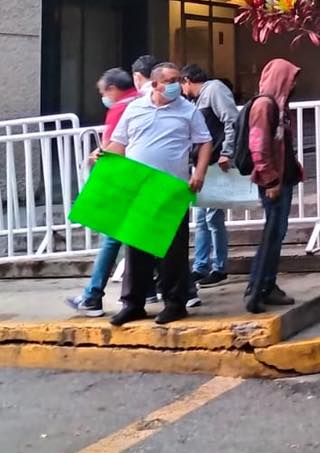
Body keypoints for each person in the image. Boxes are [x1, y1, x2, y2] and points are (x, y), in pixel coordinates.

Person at [104, 63, 213, 326]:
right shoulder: (135, 109)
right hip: (139, 187)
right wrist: (103, 160)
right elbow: (119, 144)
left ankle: (174, 303)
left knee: (172, 251)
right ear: (155, 84)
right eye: (171, 80)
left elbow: (205, 141)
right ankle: (133, 304)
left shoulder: (187, 111)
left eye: (179, 79)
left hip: (171, 189)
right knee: (136, 249)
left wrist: (199, 173)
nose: (177, 83)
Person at [67, 68, 139, 317]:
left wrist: (98, 155)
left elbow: (112, 147)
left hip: (122, 179)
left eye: (103, 91)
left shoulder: (121, 108)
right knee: (141, 237)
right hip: (140, 179)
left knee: (112, 238)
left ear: (112, 89)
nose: (103, 96)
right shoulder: (142, 101)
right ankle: (163, 289)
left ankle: (92, 296)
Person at [244, 59, 304, 313]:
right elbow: (258, 147)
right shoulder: (264, 106)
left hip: (282, 179)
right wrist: (270, 180)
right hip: (274, 183)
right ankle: (258, 289)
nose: (295, 84)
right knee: (272, 235)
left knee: (276, 234)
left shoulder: (278, 107)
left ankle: (265, 286)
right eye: (291, 78)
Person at [182, 64, 239, 287]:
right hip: (204, 164)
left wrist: (227, 151)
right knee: (203, 219)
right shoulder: (196, 100)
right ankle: (201, 266)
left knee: (212, 218)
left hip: (216, 161)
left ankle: (219, 267)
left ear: (187, 80)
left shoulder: (214, 90)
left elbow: (231, 119)